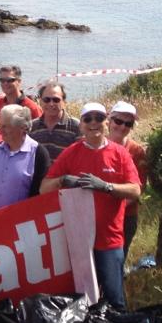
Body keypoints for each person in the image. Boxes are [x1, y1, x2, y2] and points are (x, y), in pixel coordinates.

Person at [40, 102, 141, 310]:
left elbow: (135, 190)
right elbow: (44, 188)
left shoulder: (120, 154)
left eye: (99, 118)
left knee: (114, 295)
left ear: (106, 122)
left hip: (110, 239)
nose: (93, 123)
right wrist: (63, 180)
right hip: (79, 241)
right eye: (88, 119)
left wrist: (106, 187)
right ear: (81, 125)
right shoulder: (71, 153)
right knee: (83, 297)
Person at [0, 105, 51, 215]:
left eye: (5, 126)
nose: (0, 130)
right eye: (0, 125)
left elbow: (38, 195)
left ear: (22, 128)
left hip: (20, 224)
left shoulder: (38, 154)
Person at [107, 101, 148, 260]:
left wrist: (115, 209)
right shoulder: (96, 146)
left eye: (128, 123)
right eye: (118, 121)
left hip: (126, 217)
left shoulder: (137, 151)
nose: (122, 127)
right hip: (97, 217)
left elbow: (139, 188)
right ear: (109, 121)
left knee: (117, 260)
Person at [29, 81, 80, 161]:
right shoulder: (32, 127)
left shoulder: (76, 127)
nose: (51, 104)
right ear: (40, 101)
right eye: (46, 100)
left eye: (56, 100)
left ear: (64, 102)